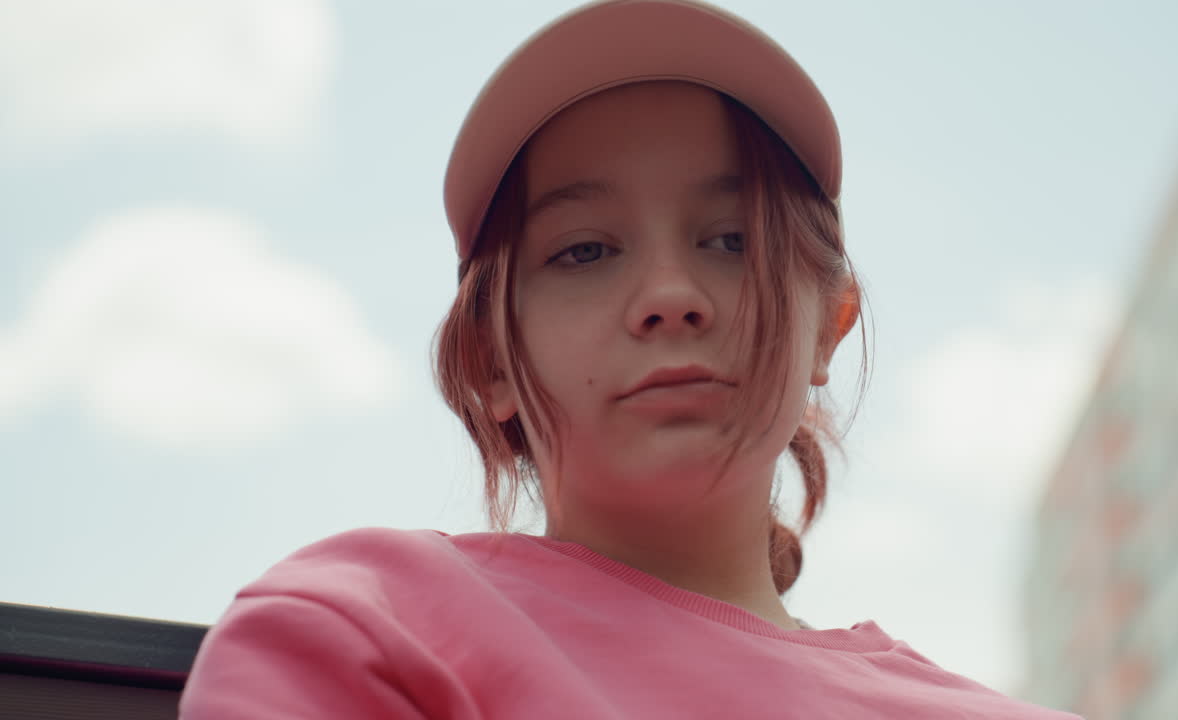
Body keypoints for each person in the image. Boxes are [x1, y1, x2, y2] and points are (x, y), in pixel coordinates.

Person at [179, 2, 1082, 718]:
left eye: (730, 238)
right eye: (583, 250)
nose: (669, 293)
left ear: (828, 327)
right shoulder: (365, 626)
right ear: (489, 358)